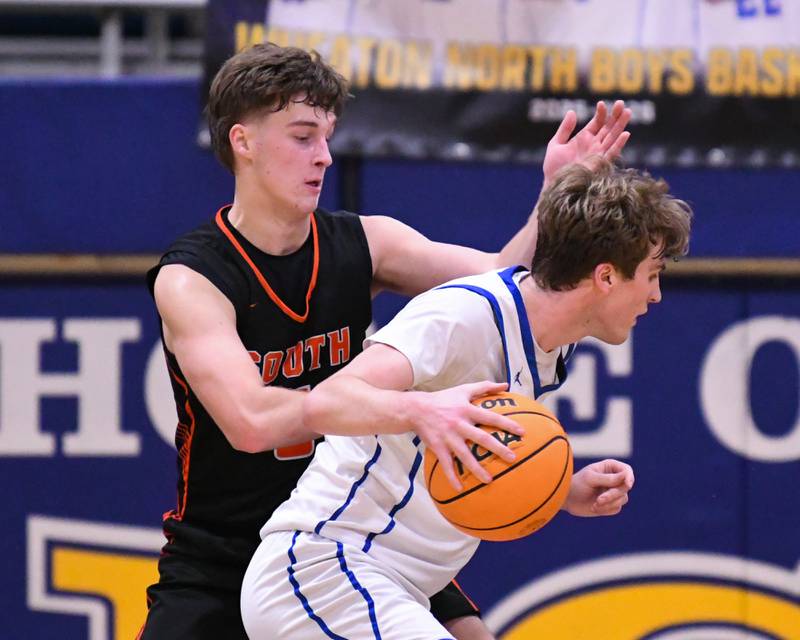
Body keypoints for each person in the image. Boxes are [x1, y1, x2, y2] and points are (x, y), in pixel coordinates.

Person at [138, 41, 631, 640]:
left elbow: (505, 284)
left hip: (357, 532)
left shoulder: (367, 242)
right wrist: (412, 409)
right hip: (224, 548)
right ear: (242, 142)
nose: (323, 156)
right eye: (302, 137)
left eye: (327, 136)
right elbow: (252, 420)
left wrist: (553, 196)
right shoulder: (193, 277)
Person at [241, 158, 692, 640]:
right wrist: (422, 409)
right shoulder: (463, 316)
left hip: (396, 585)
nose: (657, 295)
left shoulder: (550, 339)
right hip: (323, 568)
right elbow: (326, 401)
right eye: (652, 274)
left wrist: (563, 491)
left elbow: (465, 459)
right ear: (605, 277)